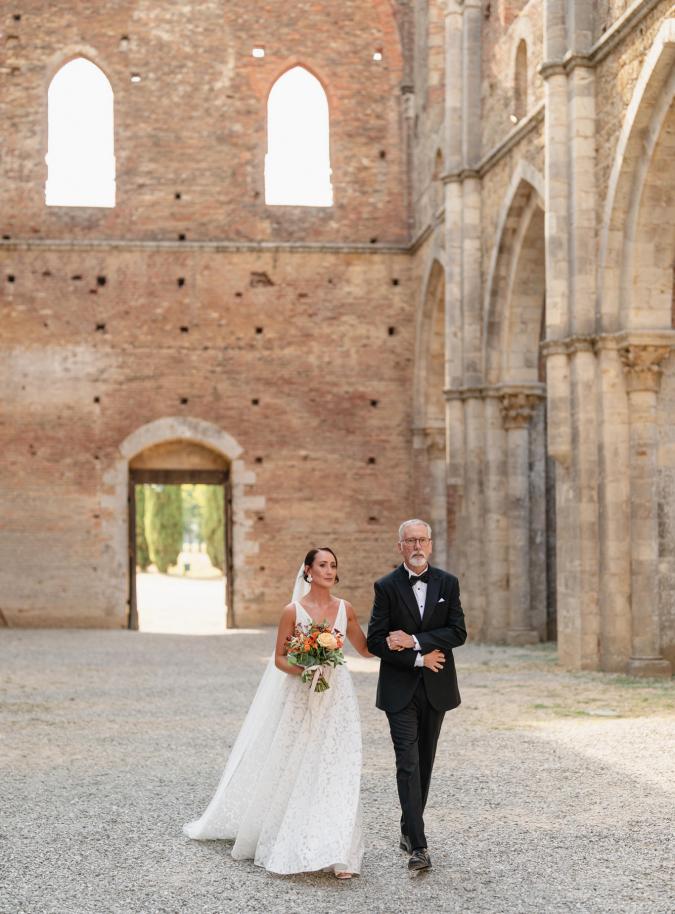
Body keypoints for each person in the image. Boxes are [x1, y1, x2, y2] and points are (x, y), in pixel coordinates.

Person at [183, 547, 372, 878]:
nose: (329, 570)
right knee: (297, 764)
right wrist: (305, 668)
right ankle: (287, 837)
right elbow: (280, 659)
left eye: (333, 566)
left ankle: (340, 852)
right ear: (308, 571)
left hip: (336, 698)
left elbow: (366, 649)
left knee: (336, 765)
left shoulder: (346, 609)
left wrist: (404, 644)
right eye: (323, 565)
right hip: (300, 696)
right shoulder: (292, 611)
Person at [367, 519, 466, 872]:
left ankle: (409, 828)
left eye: (422, 539)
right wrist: (418, 658)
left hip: (437, 687)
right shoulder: (386, 587)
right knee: (407, 763)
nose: (416, 545)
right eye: (410, 540)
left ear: (431, 543)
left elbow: (458, 632)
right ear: (400, 546)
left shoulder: (447, 583)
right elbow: (375, 641)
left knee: (424, 762)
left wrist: (416, 640)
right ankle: (419, 847)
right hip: (399, 690)